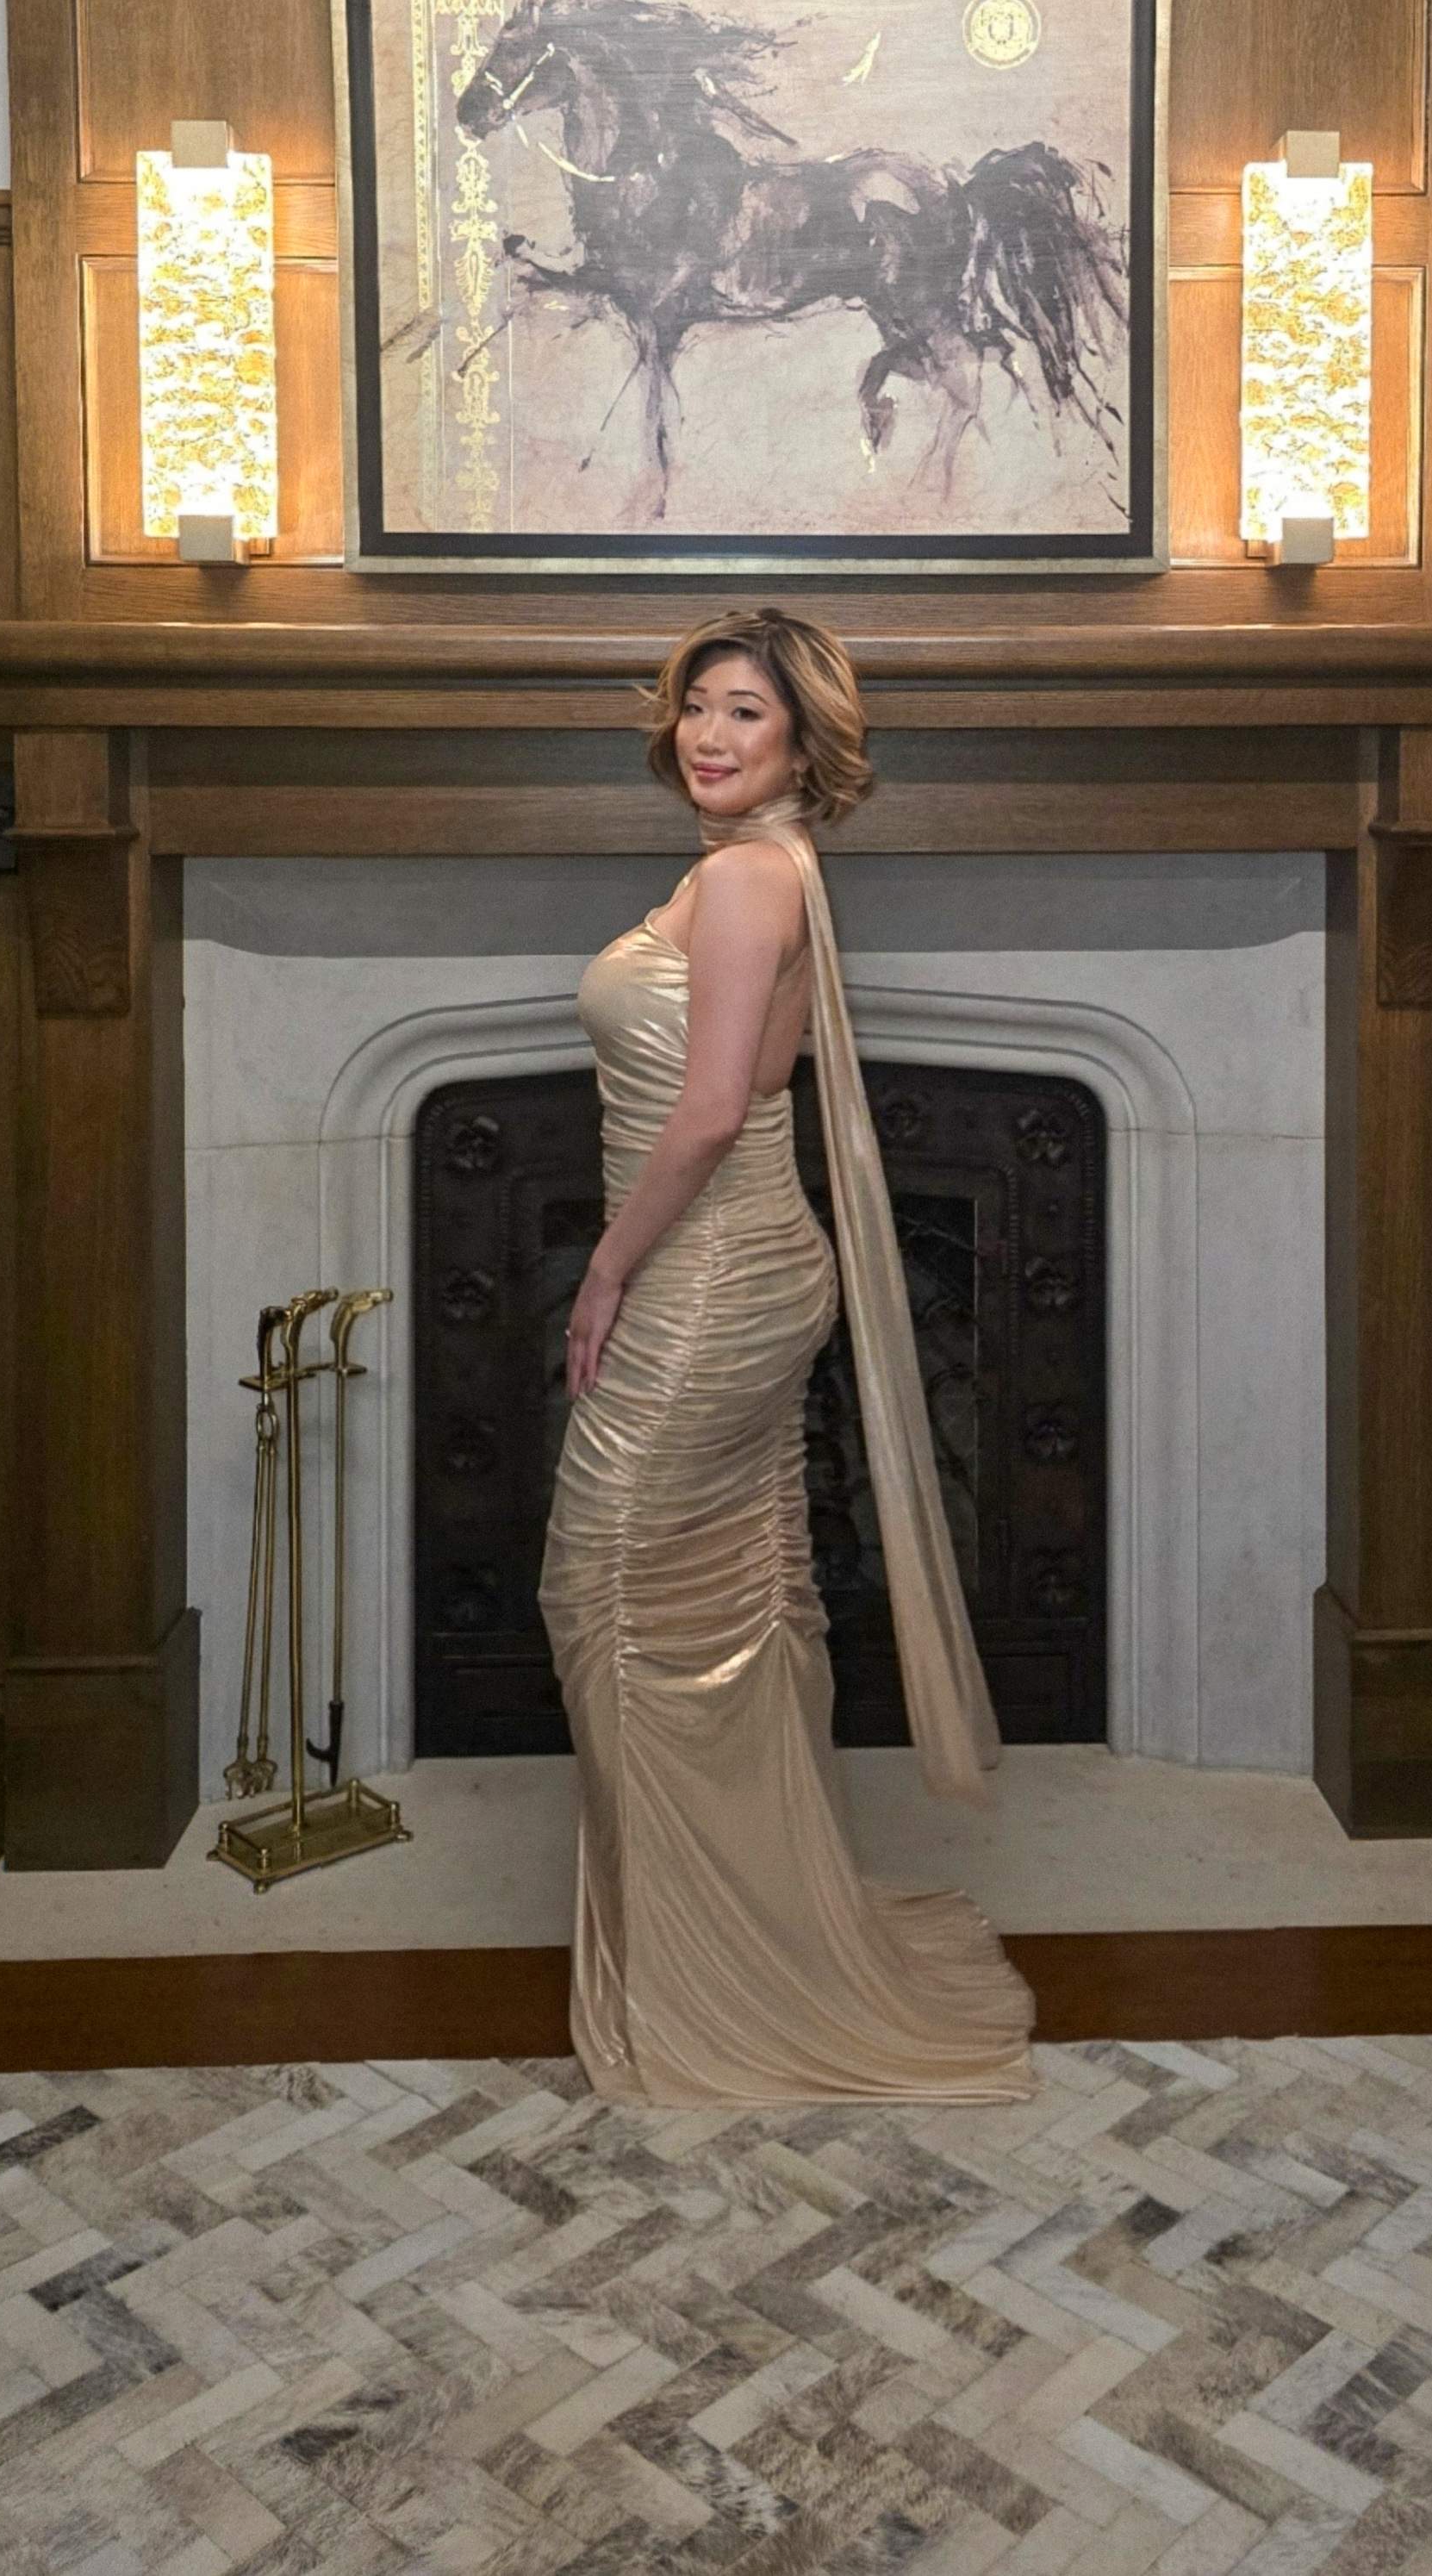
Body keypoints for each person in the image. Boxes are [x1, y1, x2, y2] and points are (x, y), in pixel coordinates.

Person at [540, 607, 1035, 2105]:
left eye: (744, 712)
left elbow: (706, 1116)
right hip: (734, 1261)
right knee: (728, 1606)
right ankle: (750, 1940)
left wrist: (603, 1273)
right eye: (697, 705)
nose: (708, 734)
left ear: (803, 739)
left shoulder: (750, 877)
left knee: (602, 1583)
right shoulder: (762, 870)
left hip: (711, 1273)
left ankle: (716, 1971)